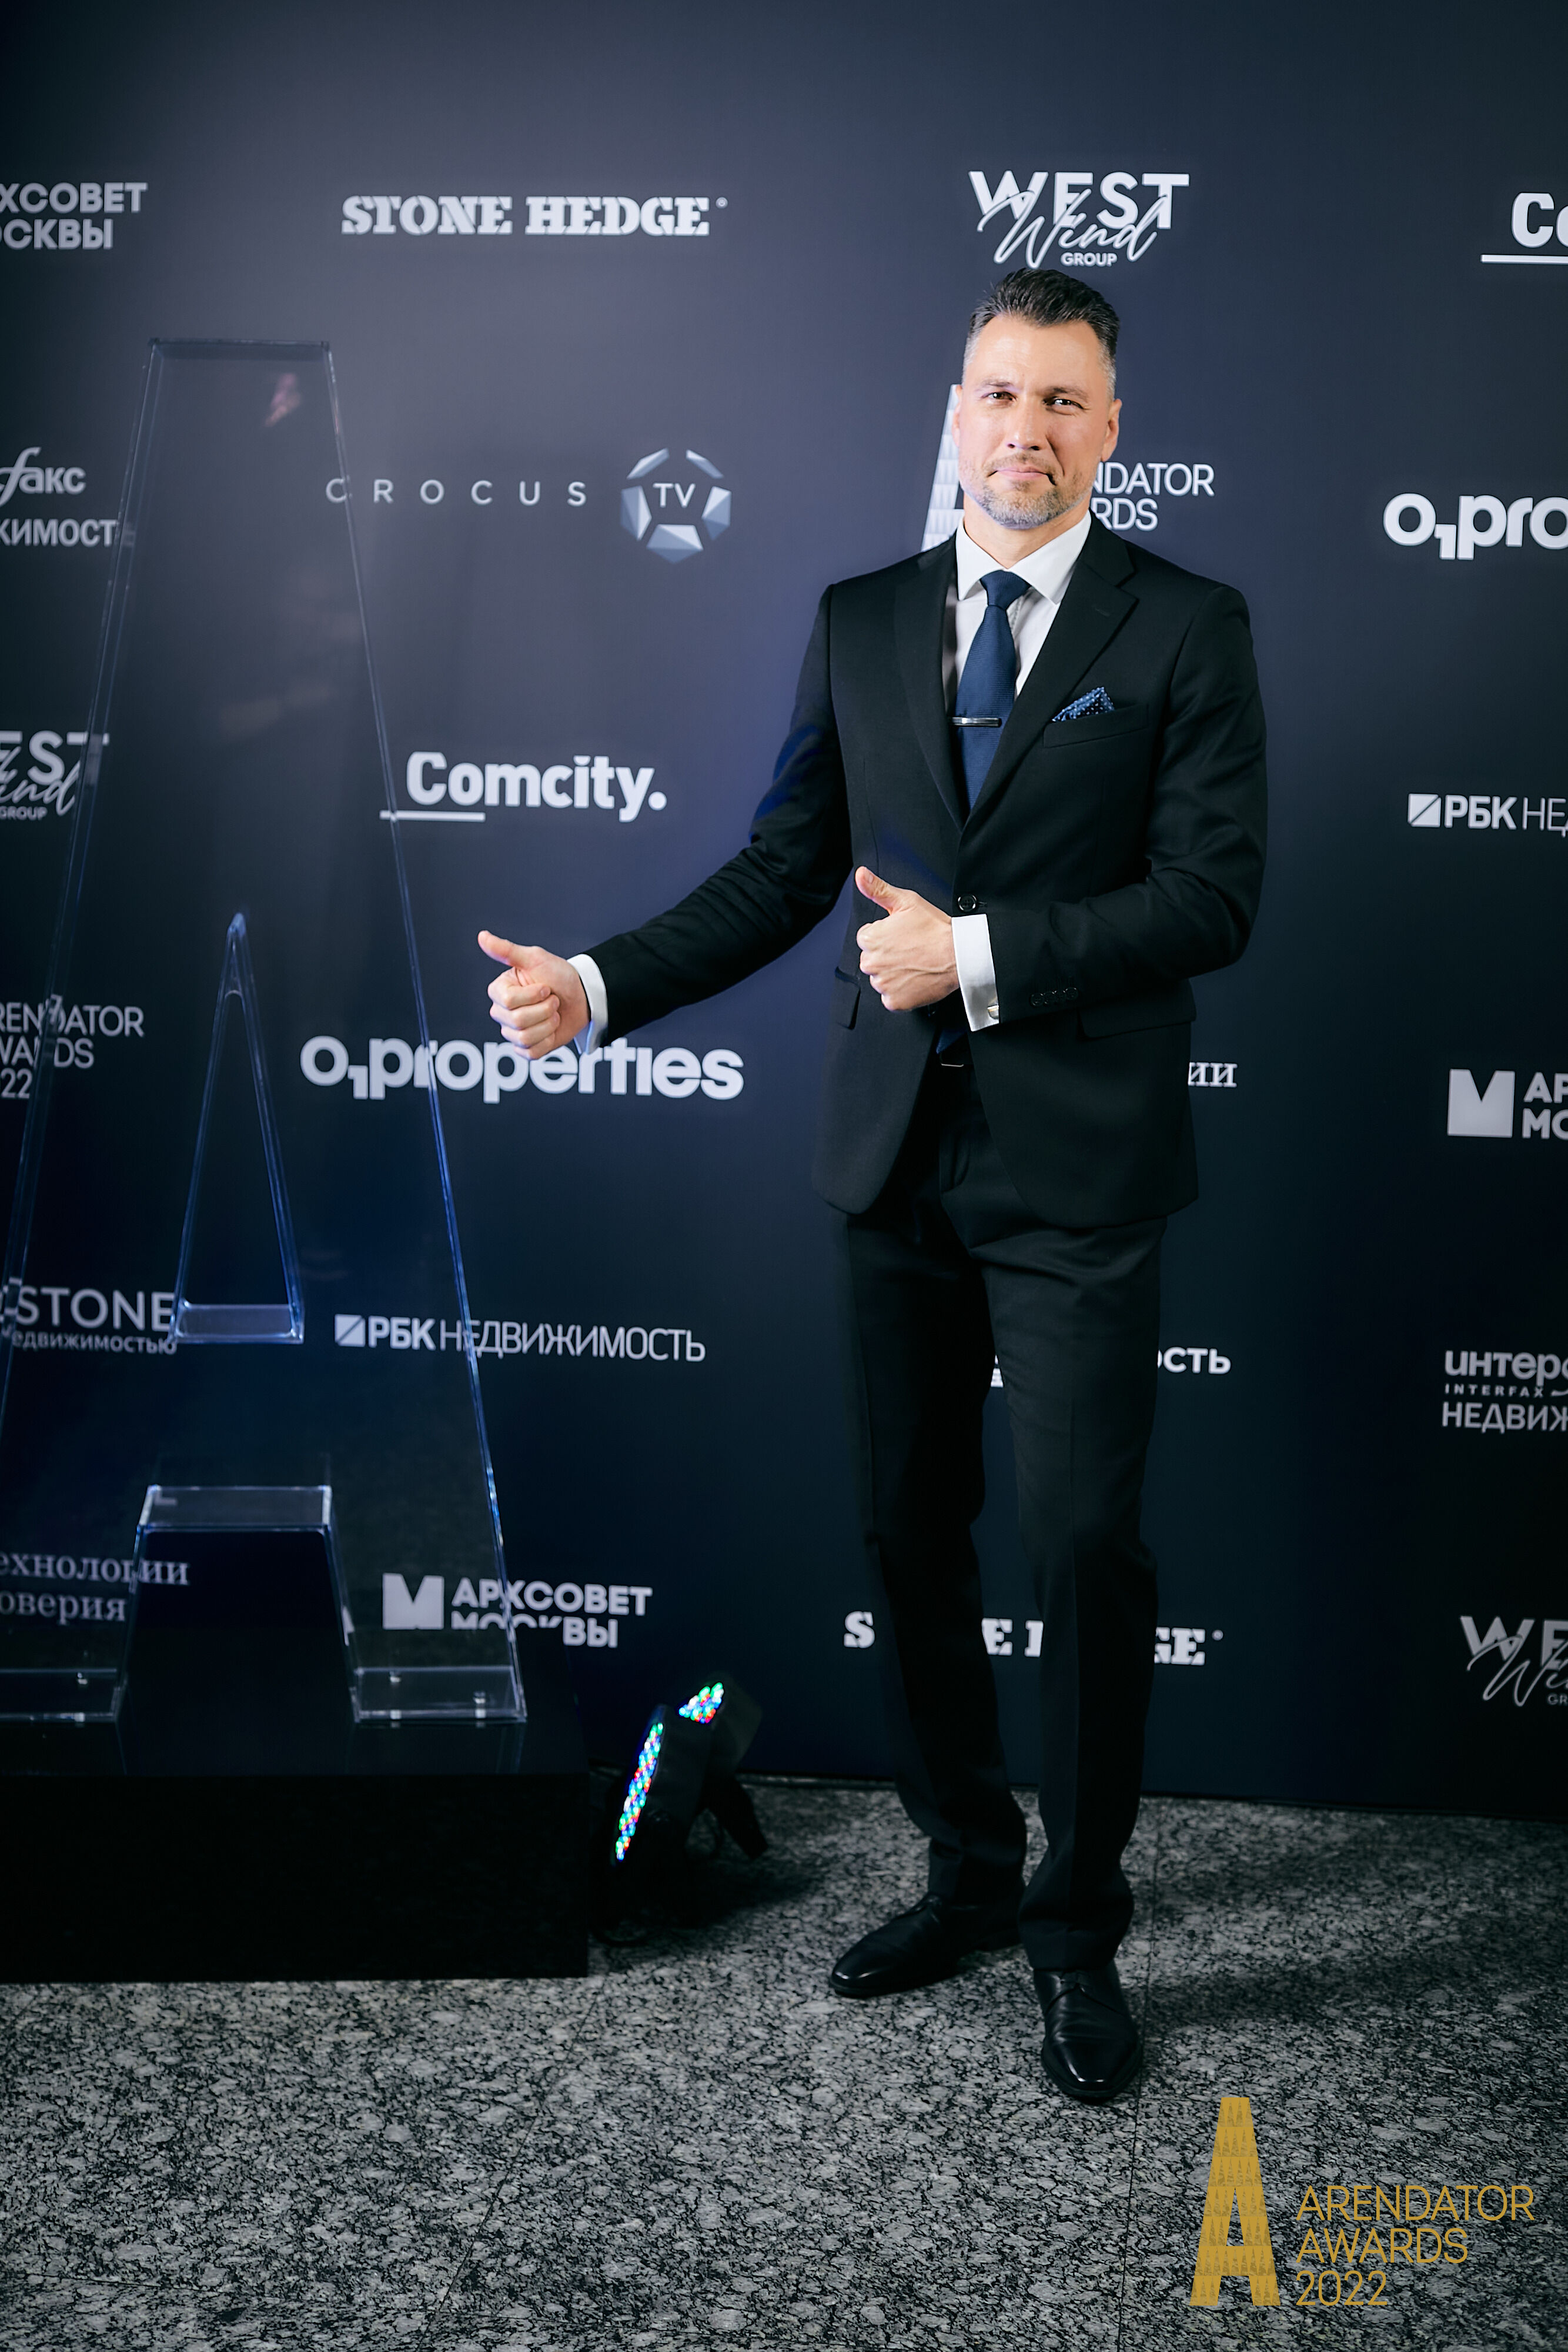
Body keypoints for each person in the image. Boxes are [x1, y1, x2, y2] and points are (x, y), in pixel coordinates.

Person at [480, 268, 1266, 2103]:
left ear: (1110, 429)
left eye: (1061, 400)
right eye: (997, 393)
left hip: (1077, 1171)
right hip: (890, 1152)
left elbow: (1211, 897)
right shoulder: (861, 618)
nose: (1023, 429)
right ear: (954, 409)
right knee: (907, 1534)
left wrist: (973, 957)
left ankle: (1075, 1934)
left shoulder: (1185, 626)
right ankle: (967, 1873)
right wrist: (597, 982)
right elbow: (783, 873)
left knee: (1078, 1546)